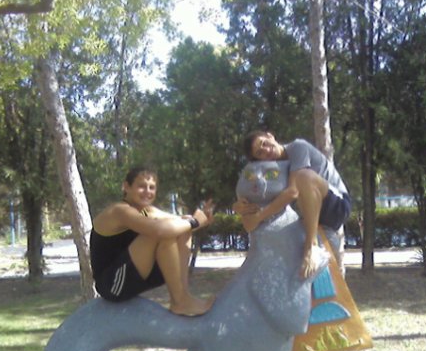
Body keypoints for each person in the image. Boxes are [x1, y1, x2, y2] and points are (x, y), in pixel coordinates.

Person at [90, 166, 214, 316]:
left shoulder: (147, 211)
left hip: (138, 274)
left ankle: (183, 298)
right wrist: (195, 222)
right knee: (161, 232)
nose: (147, 191)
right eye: (141, 186)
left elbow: (181, 223)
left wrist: (202, 218)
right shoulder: (119, 211)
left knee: (180, 228)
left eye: (152, 187)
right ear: (126, 187)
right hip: (113, 284)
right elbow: (159, 230)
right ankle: (180, 301)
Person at [233, 131, 351, 279]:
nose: (267, 150)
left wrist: (258, 217)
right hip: (308, 213)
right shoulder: (275, 167)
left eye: (264, 143)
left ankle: (311, 247)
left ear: (270, 136)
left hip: (337, 205)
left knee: (303, 176)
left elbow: (292, 192)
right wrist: (239, 206)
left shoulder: (298, 147)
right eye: (260, 153)